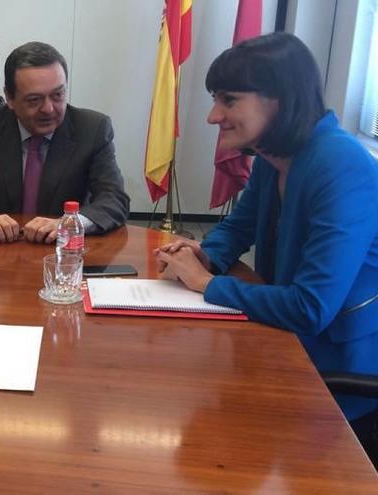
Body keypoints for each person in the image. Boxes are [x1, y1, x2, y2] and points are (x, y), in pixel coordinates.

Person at [155, 32, 378, 459]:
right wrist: (205, 254)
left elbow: (311, 308)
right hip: (286, 348)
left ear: (278, 99)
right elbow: (239, 226)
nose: (213, 116)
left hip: (336, 378)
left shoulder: (340, 164)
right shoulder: (276, 155)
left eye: (229, 100)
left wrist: (206, 283)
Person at [0, 41, 129, 244]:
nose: (48, 109)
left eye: (58, 95)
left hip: (65, 253)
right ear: (10, 98)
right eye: (34, 100)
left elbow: (114, 199)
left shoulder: (93, 128)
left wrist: (70, 223)